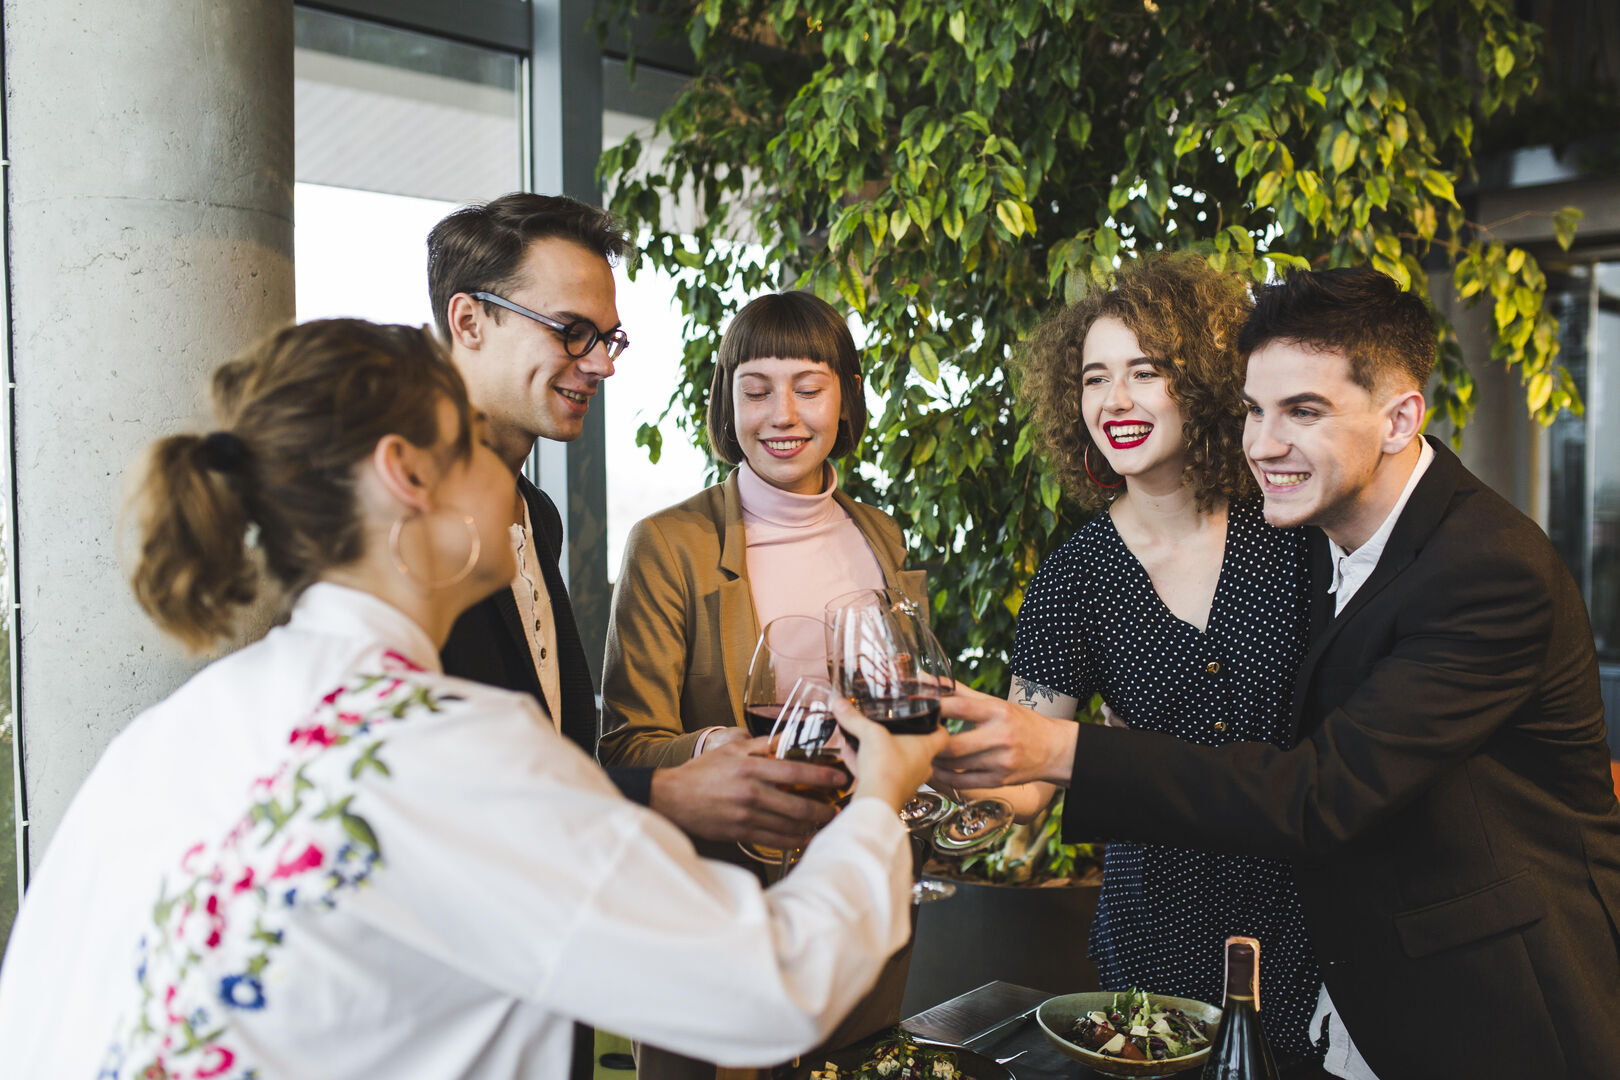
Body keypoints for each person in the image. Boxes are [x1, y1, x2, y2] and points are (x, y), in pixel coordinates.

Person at [0, 319, 947, 1080]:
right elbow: (771, 987)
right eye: (482, 448)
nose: (511, 476)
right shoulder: (458, 749)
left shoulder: (163, 737)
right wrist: (879, 801)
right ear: (408, 475)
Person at [936, 268, 1620, 1080]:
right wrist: (941, 787)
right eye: (1095, 377)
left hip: (1402, 948)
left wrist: (1064, 750)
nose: (1266, 441)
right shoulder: (1101, 570)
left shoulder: (1357, 540)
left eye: (1146, 371)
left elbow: (1322, 788)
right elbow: (1021, 763)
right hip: (1178, 919)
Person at [997, 254, 1322, 1064]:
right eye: (1094, 378)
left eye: (1145, 371)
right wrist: (917, 760)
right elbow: (1024, 783)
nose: (1115, 401)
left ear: (1205, 383)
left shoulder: (1291, 535)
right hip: (1154, 939)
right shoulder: (1071, 581)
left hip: (1309, 926)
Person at [597, 290, 927, 1079]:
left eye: (808, 387)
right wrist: (723, 750)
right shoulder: (668, 544)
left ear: (844, 397)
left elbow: (898, 699)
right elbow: (625, 747)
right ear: (727, 400)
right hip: (721, 908)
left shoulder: (880, 535)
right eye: (756, 389)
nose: (782, 414)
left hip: (856, 876)